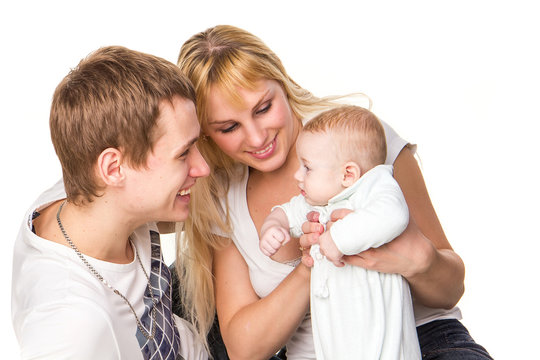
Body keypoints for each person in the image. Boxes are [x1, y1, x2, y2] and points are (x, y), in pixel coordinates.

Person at [174, 25, 492, 360]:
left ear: (282, 84)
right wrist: (312, 263)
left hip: (419, 339)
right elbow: (244, 348)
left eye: (263, 108)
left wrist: (420, 258)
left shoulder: (359, 141)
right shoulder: (221, 201)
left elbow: (450, 290)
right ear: (205, 134)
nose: (256, 138)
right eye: (229, 127)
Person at [11, 46, 210, 360]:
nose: (203, 168)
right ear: (114, 169)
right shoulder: (72, 325)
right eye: (183, 154)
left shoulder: (88, 192)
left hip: (188, 336)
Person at [259, 105, 420, 359]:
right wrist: (272, 226)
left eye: (307, 168)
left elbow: (394, 214)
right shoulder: (320, 202)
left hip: (384, 345)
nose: (297, 175)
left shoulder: (374, 188)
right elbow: (286, 212)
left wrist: (338, 239)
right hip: (337, 343)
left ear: (348, 174)